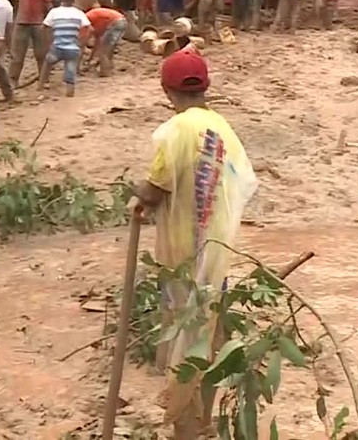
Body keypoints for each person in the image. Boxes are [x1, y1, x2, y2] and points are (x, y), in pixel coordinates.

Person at [128, 49, 257, 440]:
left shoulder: (174, 131)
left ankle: (185, 426)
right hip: (216, 252)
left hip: (180, 254)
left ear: (166, 90)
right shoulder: (224, 129)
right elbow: (242, 184)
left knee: (182, 332)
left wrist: (135, 194)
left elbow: (155, 189)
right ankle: (201, 422)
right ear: (206, 87)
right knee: (208, 331)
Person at [41, 0, 91, 97]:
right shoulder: (79, 13)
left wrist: (48, 42)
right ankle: (69, 92)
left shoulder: (54, 11)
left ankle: (40, 86)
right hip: (73, 47)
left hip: (57, 45)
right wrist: (82, 43)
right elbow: (89, 28)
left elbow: (45, 27)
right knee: (71, 69)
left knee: (47, 64)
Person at [8, 0, 52, 86]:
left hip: (38, 23)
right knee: (17, 54)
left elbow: (49, 6)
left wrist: (49, 23)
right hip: (21, 22)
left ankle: (44, 80)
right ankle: (13, 80)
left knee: (41, 53)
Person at [85, 3, 127, 77]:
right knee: (110, 49)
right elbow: (97, 41)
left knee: (103, 51)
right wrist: (90, 58)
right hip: (122, 21)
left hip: (115, 22)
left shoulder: (87, 18)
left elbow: (98, 42)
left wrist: (90, 59)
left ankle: (105, 72)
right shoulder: (96, 17)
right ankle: (110, 68)